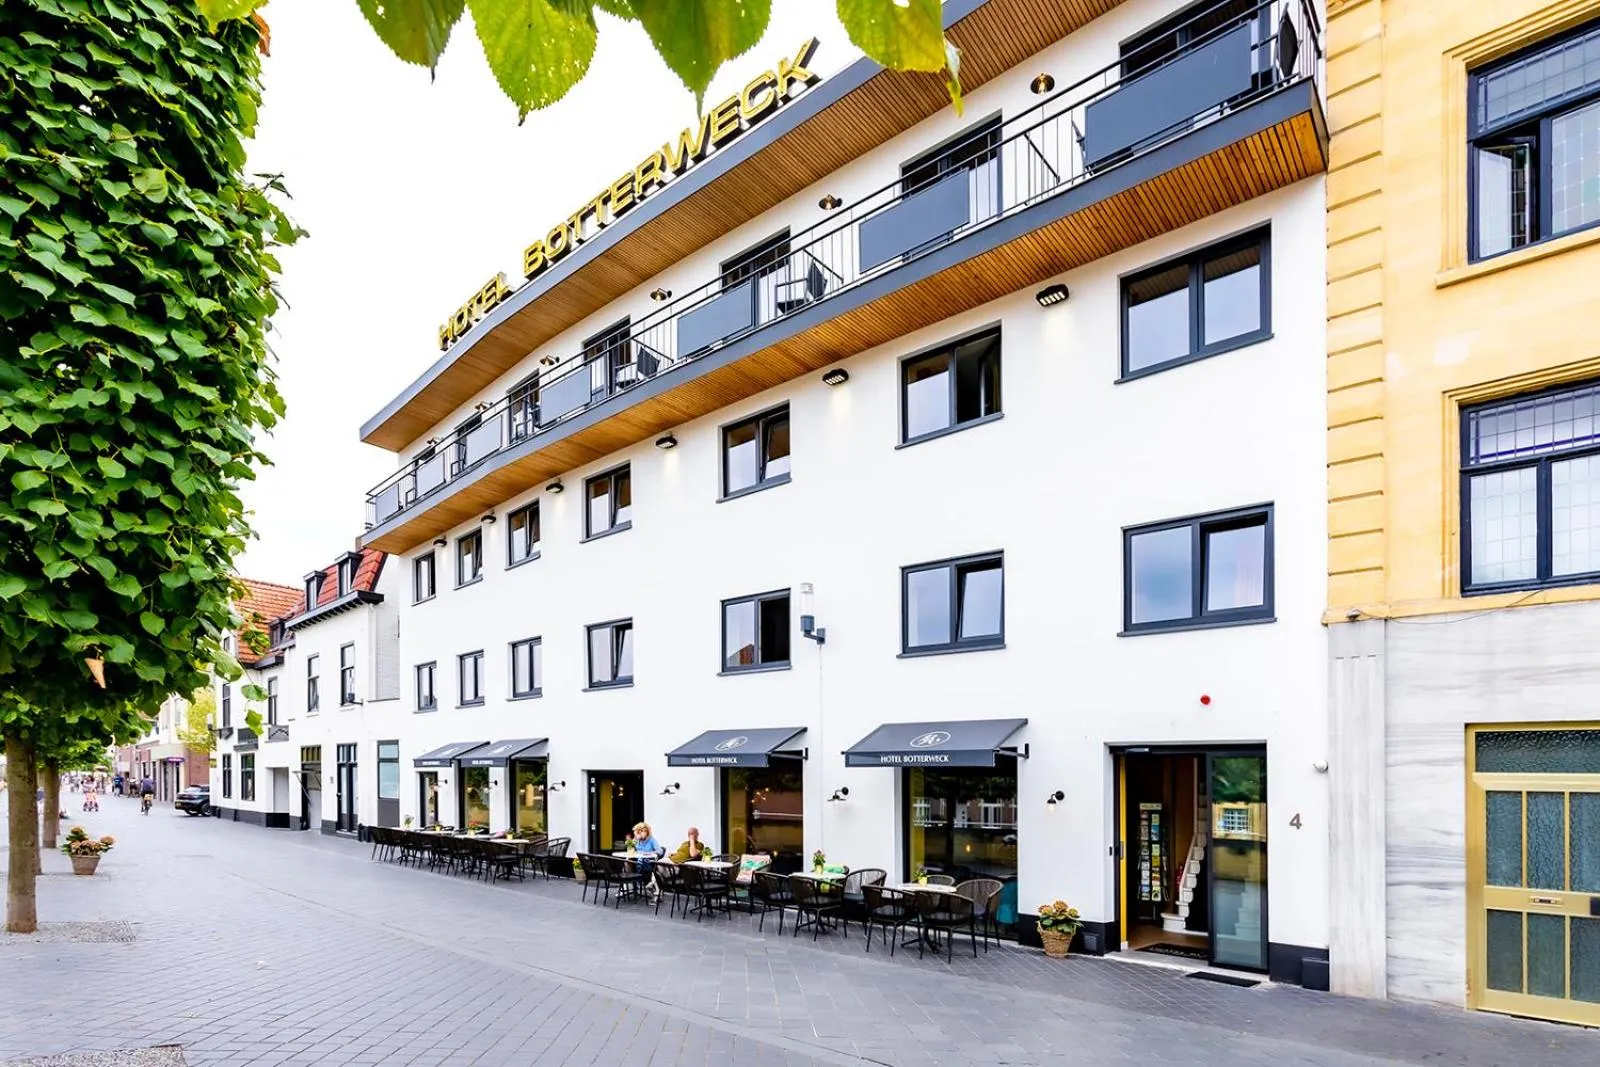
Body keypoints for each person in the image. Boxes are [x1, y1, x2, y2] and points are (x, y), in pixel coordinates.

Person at [629, 822, 664, 903]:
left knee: (640, 865)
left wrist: (649, 853)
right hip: (637, 862)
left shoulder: (651, 840)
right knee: (627, 862)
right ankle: (629, 884)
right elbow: (631, 850)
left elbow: (660, 851)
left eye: (639, 832)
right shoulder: (637, 841)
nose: (637, 835)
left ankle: (646, 885)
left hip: (648, 863)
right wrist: (632, 844)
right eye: (636, 833)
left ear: (645, 832)